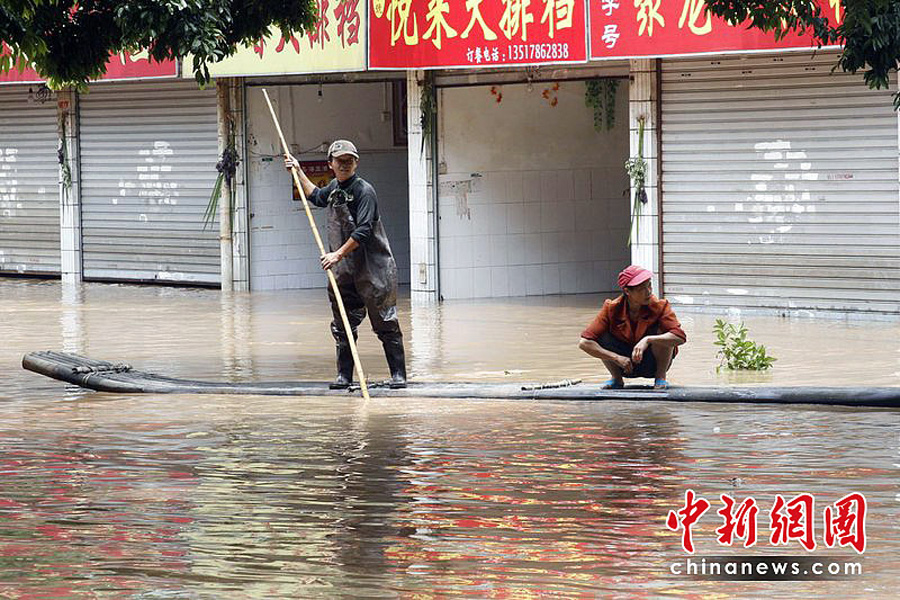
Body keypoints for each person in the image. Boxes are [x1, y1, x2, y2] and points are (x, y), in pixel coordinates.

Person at [284, 140, 407, 389]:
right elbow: (316, 196)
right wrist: (297, 170)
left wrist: (336, 255)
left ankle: (398, 375)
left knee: (385, 321)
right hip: (344, 270)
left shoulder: (365, 191)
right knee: (342, 323)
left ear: (356, 162)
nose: (344, 164)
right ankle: (344, 376)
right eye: (339, 160)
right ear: (330, 164)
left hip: (373, 267)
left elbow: (363, 231)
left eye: (349, 160)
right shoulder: (333, 188)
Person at [578, 265, 686, 390]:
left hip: (651, 364)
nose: (648, 292)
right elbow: (584, 343)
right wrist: (616, 358)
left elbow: (680, 337)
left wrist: (648, 339)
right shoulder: (611, 308)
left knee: (665, 334)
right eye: (641, 289)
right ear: (627, 291)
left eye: (649, 286)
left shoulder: (660, 306)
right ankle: (616, 379)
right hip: (624, 365)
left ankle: (660, 378)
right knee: (600, 336)